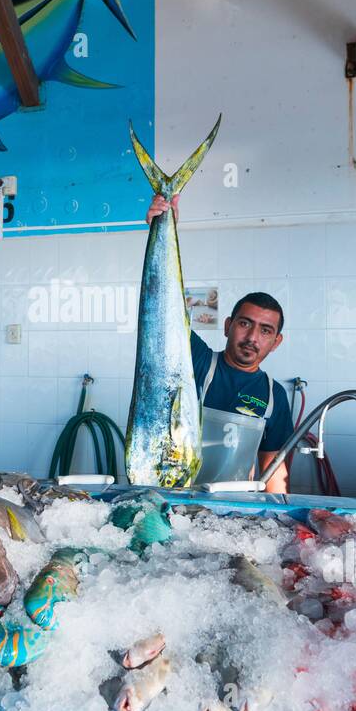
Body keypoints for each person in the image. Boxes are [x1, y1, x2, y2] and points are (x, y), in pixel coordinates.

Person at [147, 194, 294, 493]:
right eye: (244, 324)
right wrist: (162, 230)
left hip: (231, 515)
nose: (252, 337)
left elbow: (274, 474)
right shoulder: (196, 361)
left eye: (265, 331)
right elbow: (166, 309)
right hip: (175, 500)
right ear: (228, 326)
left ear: (276, 342)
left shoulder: (274, 396)